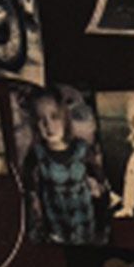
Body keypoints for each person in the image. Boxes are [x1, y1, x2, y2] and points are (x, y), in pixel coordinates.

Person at [21, 87, 109, 244]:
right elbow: (26, 178)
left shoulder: (82, 149)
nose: (48, 125)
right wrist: (33, 197)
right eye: (41, 119)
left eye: (54, 117)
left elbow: (99, 175)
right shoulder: (37, 153)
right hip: (56, 223)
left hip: (84, 220)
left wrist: (97, 184)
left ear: (64, 117)